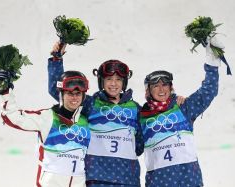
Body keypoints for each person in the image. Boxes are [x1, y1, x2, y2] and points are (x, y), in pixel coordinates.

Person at [48, 42, 144, 186]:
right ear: (101, 81)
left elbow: (140, 144)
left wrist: (176, 100)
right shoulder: (91, 103)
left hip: (127, 179)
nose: (113, 84)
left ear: (124, 82)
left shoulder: (135, 108)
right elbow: (59, 91)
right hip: (96, 177)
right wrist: (56, 59)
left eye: (118, 79)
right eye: (109, 79)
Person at [139, 36, 224, 187]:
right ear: (148, 91)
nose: (161, 89)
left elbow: (208, 92)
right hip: (158, 183)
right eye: (155, 86)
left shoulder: (183, 107)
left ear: (171, 88)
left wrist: (212, 63)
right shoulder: (140, 117)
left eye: (165, 85)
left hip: (189, 181)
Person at [0, 68, 90, 187]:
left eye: (78, 94)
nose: (74, 98)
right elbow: (12, 117)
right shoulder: (47, 117)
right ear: (61, 93)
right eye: (69, 93)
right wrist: (5, 91)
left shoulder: (86, 122)